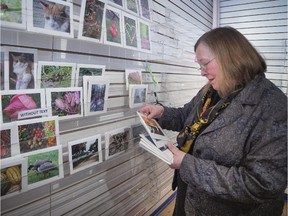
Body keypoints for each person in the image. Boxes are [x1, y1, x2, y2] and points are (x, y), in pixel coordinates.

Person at [139, 27, 287, 216]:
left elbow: (261, 184)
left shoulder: (274, 108)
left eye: (204, 64)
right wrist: (162, 112)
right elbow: (188, 116)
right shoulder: (212, 91)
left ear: (229, 57)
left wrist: (187, 164)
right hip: (190, 199)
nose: (202, 73)